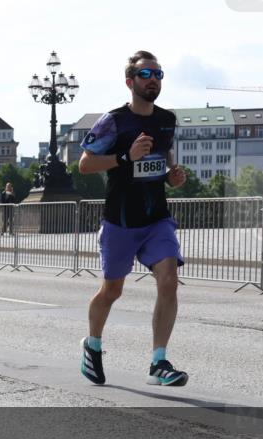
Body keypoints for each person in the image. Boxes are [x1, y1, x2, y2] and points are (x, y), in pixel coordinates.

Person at [78, 50, 188, 387]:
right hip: (121, 220)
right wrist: (126, 156)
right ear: (130, 82)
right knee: (112, 290)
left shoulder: (167, 119)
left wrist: (172, 174)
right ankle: (92, 345)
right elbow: (85, 164)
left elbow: (164, 157)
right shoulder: (113, 121)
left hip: (156, 218)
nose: (153, 78)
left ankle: (159, 362)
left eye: (158, 73)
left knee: (168, 280)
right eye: (145, 74)